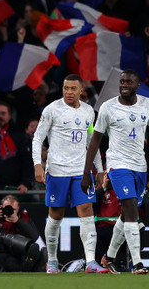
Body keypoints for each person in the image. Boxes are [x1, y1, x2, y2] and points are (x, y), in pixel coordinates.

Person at [81, 69, 149, 275]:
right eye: (121, 82)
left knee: (126, 213)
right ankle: (138, 263)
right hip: (118, 164)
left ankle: (108, 257)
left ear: (137, 85)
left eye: (128, 82)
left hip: (139, 166)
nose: (124, 85)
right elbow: (96, 140)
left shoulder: (148, 105)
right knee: (131, 207)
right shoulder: (108, 107)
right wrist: (86, 172)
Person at [33, 74, 107, 274]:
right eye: (66, 88)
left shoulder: (89, 112)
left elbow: (92, 143)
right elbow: (37, 138)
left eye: (73, 88)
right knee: (55, 215)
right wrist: (38, 165)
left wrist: (99, 170)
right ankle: (52, 261)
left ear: (81, 90)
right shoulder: (52, 110)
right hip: (57, 171)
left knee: (87, 211)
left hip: (81, 171)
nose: (69, 92)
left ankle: (91, 262)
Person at [0, 195, 44, 272]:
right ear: (1, 207)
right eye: (6, 208)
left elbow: (34, 237)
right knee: (9, 261)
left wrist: (18, 221)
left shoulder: (23, 217)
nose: (9, 212)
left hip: (16, 253)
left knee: (33, 256)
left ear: (18, 208)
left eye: (13, 209)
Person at [0, 102, 34, 196]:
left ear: (9, 116)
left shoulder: (19, 136)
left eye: (3, 113)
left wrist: (25, 183)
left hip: (15, 188)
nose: (0, 116)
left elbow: (27, 162)